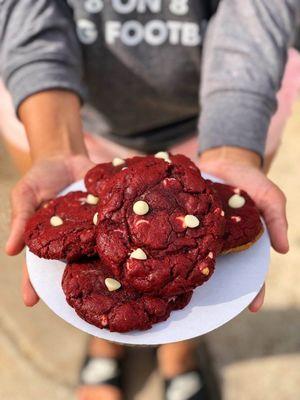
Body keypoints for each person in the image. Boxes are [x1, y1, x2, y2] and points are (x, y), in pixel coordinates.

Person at [1, 1, 299, 399]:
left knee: (188, 281)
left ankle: (179, 352)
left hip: (222, 117)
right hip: (63, 115)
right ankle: (105, 337)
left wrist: (233, 146)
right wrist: (55, 144)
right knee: (104, 275)